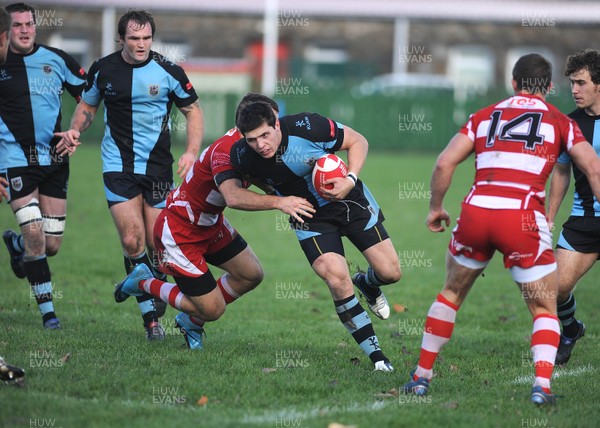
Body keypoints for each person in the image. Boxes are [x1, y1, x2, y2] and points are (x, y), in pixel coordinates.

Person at [401, 53, 600, 405]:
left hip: (476, 212)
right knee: (543, 308)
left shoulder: (484, 115)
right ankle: (541, 387)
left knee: (450, 294)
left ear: (512, 83)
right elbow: (593, 169)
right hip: (521, 218)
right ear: (550, 86)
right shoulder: (560, 121)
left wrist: (435, 207)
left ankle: (420, 377)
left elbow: (445, 162)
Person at [114, 93, 315, 349]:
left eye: (273, 124)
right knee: (213, 310)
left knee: (251, 274)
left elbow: (266, 182)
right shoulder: (226, 149)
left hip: (210, 225)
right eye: (268, 124)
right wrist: (280, 203)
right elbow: (232, 196)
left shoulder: (257, 147)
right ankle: (142, 281)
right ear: (244, 124)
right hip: (180, 231)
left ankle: (190, 320)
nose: (275, 130)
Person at [55, 10, 204, 340]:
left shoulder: (168, 70)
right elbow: (88, 105)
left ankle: (155, 288)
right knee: (131, 239)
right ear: (120, 38)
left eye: (147, 38)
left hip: (158, 169)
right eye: (134, 38)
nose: (141, 44)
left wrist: (192, 151)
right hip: (117, 165)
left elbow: (192, 109)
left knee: (159, 247)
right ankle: (151, 319)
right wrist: (76, 129)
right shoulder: (103, 69)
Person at [231, 101, 402, 371]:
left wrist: (350, 179)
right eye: (252, 139)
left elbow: (358, 141)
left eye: (265, 135)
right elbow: (233, 195)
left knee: (391, 272)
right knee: (335, 277)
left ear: (276, 123)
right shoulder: (241, 156)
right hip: (310, 215)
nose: (260, 145)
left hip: (350, 201)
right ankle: (377, 357)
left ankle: (368, 284)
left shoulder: (308, 126)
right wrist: (279, 200)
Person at [0, 3, 86, 329]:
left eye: (29, 24)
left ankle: (16, 244)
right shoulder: (1, 61)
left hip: (54, 160)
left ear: (36, 26)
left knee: (50, 244)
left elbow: (88, 97)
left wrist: (76, 129)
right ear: (7, 30)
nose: (24, 30)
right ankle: (49, 315)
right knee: (36, 234)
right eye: (17, 25)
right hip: (15, 161)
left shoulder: (58, 59)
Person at [547, 49, 600, 365]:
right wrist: (550, 216)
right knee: (554, 289)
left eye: (581, 83)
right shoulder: (569, 123)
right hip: (584, 221)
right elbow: (562, 171)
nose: (575, 90)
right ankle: (571, 329)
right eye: (572, 83)